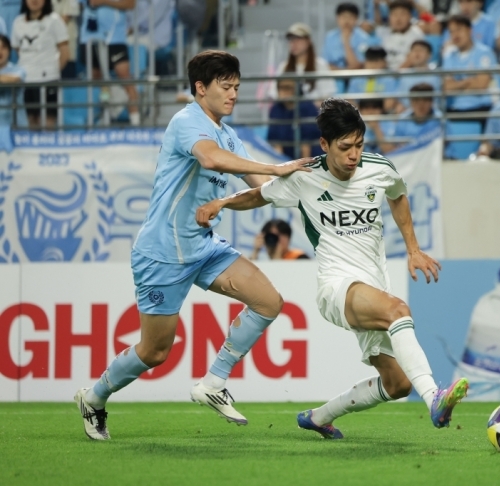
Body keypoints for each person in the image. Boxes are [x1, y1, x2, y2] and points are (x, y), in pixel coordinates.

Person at [195, 97, 469, 439]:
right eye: (345, 147)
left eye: (359, 145)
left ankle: (318, 417)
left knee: (397, 384)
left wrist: (413, 249)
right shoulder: (305, 177)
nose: (354, 155)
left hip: (374, 288)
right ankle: (434, 398)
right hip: (337, 287)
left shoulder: (379, 168)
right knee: (398, 311)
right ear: (324, 144)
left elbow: (397, 195)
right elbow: (258, 195)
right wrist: (221, 202)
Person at [73, 51, 312, 441]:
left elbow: (261, 188)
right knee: (154, 352)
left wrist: (309, 188)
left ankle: (213, 382)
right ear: (200, 88)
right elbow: (211, 159)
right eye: (225, 86)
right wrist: (273, 168)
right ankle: (94, 397)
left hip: (203, 247)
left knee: (269, 302)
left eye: (237, 87)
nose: (233, 94)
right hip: (162, 253)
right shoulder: (187, 122)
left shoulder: (228, 134)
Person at [78, 0, 141, 125]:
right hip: (90, 37)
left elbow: (130, 4)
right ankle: (105, 115)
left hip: (115, 38)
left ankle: (136, 120)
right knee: (97, 80)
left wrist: (104, 1)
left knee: (126, 78)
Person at [12, 0, 68, 128]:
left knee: (48, 123)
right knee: (31, 121)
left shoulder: (54, 20)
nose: (34, 1)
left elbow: (65, 53)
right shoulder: (18, 22)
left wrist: (53, 71)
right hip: (26, 81)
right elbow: (18, 49)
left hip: (49, 80)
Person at [442, 14, 497, 124]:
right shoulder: (449, 56)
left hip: (481, 109)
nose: (455, 35)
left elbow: (481, 85)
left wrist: (457, 84)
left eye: (459, 29)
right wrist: (468, 81)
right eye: (451, 32)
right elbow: (447, 88)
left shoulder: (484, 53)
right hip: (454, 110)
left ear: (469, 30)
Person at [267, 23, 337, 103]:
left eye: (298, 39)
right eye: (291, 39)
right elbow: (274, 93)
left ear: (308, 41)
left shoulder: (320, 65)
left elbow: (327, 94)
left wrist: (311, 106)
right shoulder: (283, 67)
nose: (293, 43)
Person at [267, 78, 323, 159]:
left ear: (297, 89)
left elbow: (307, 143)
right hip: (285, 156)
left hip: (310, 155)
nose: (283, 91)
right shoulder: (276, 109)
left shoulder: (308, 107)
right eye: (281, 87)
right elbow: (275, 141)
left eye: (288, 88)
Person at [324, 3, 376, 73]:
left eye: (350, 17)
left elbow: (359, 65)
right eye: (343, 17)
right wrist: (341, 72)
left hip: (356, 76)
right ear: (337, 18)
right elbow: (325, 63)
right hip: (333, 76)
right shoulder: (330, 37)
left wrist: (346, 42)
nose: (346, 21)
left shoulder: (364, 38)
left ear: (356, 19)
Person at [347, 46, 399, 112]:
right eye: (370, 60)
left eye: (377, 60)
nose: (373, 64)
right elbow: (350, 100)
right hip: (358, 114)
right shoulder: (356, 79)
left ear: (384, 62)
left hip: (382, 115)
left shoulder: (389, 79)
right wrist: (363, 112)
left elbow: (389, 103)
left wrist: (374, 112)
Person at [377, 0, 425, 70]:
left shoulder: (417, 35)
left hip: (406, 73)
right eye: (395, 14)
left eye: (403, 14)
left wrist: (395, 74)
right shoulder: (382, 33)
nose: (398, 19)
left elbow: (413, 59)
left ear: (410, 16)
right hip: (384, 73)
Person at [396, 39, 441, 110]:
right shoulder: (405, 75)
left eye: (421, 50)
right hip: (408, 113)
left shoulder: (437, 75)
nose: (417, 54)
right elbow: (400, 100)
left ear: (429, 55)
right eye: (414, 50)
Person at [0, 33, 24, 131]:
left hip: (16, 127)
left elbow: (14, 79)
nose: (0, 51)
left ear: (9, 50)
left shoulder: (18, 70)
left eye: (3, 47)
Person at [51, 0, 79, 79]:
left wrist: (47, 31)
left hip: (67, 48)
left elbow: (64, 19)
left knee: (67, 80)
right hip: (50, 53)